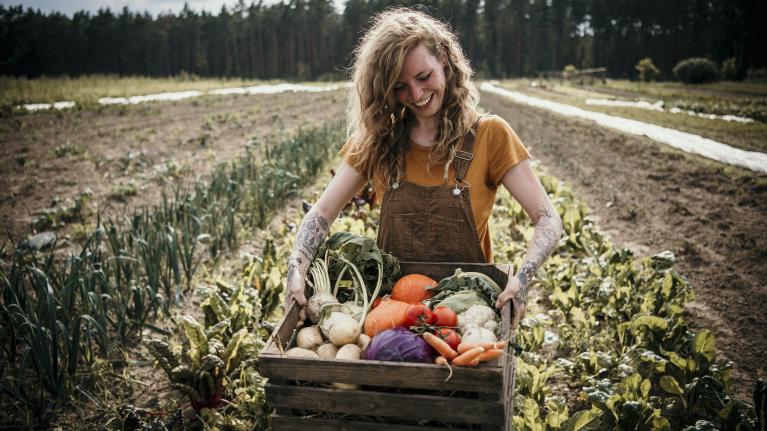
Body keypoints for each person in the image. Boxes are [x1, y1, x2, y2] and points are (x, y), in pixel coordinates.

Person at [285, 8, 562, 329]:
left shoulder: (489, 135)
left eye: (423, 77)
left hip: (467, 319)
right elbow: (322, 212)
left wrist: (523, 279)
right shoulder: (378, 142)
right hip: (391, 315)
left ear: (444, 60)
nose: (416, 95)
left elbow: (548, 218)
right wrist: (297, 265)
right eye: (400, 87)